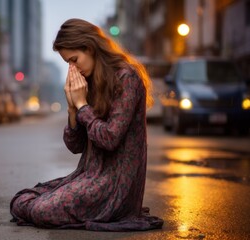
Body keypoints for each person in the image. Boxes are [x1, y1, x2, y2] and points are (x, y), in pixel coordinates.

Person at [10, 18, 164, 231]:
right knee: (21, 201)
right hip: (89, 176)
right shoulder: (90, 83)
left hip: (114, 186)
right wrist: (73, 109)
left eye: (74, 60)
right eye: (68, 64)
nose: (73, 69)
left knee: (40, 210)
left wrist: (82, 105)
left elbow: (110, 138)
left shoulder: (126, 77)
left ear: (90, 48)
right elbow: (76, 146)